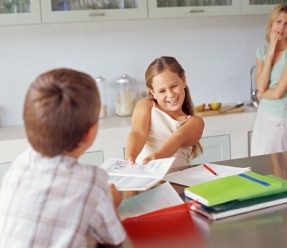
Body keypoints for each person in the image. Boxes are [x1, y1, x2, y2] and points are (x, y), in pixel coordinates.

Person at [0, 69, 126, 247]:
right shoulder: (92, 182)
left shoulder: (19, 165)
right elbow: (115, 242)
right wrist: (111, 204)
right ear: (89, 133)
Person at [125, 56, 204, 168]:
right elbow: (138, 133)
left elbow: (178, 137)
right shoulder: (146, 106)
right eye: (162, 91)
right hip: (145, 178)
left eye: (174, 86)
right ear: (152, 91)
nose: (170, 94)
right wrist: (130, 157)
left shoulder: (195, 122)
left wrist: (158, 157)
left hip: (178, 181)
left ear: (183, 80)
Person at [251, 4, 287, 156]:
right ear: (271, 23)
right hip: (262, 118)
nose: (282, 27)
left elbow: (278, 93)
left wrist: (260, 95)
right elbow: (261, 86)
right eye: (278, 22)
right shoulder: (262, 51)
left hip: (281, 119)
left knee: (283, 174)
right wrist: (272, 50)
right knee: (260, 169)